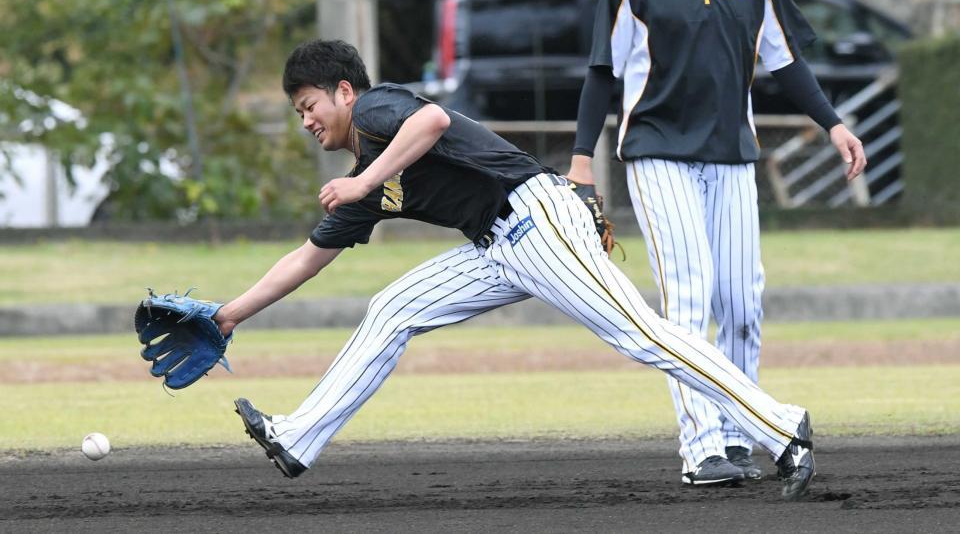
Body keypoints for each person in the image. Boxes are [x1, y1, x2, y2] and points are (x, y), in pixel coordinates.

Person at [214, 37, 815, 500]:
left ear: (344, 91)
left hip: (536, 218)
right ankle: (296, 437)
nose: (306, 120)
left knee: (642, 336)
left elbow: (432, 122)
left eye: (309, 105)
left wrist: (362, 179)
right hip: (497, 246)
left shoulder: (375, 110)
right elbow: (306, 257)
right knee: (393, 308)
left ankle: (782, 427)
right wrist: (228, 315)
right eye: (298, 113)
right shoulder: (361, 182)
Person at [565, 0, 866, 487]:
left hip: (732, 155)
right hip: (657, 154)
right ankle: (700, 446)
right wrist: (580, 161)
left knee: (741, 300)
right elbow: (601, 75)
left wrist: (834, 124)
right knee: (690, 293)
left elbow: (786, 65)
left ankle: (737, 436)